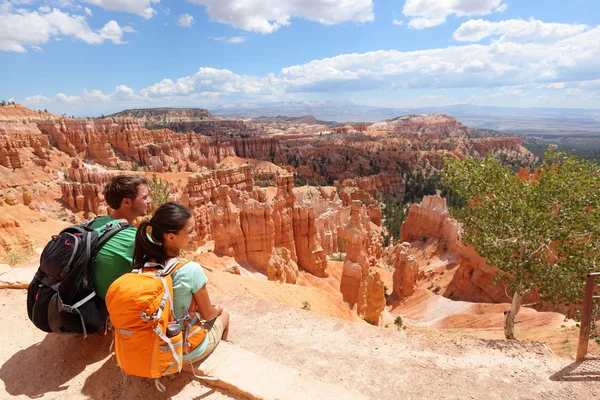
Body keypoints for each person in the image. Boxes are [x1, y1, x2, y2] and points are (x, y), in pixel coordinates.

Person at [133, 202, 230, 364]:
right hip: (181, 349)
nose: (196, 235)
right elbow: (208, 314)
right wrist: (218, 309)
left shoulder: (144, 265)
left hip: (152, 344)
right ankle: (221, 358)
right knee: (224, 316)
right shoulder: (191, 269)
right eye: (190, 231)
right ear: (170, 237)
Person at [91, 174, 150, 300]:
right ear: (127, 202)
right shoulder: (134, 238)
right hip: (112, 310)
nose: (149, 201)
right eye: (144, 197)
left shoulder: (95, 222)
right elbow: (167, 268)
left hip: (89, 300)